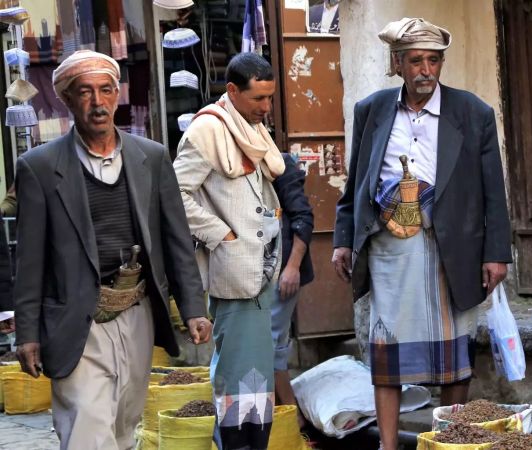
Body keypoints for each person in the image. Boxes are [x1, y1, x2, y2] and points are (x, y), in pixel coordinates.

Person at [12, 50, 211, 449]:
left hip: (135, 310)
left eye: (106, 90)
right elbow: (29, 260)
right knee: (88, 423)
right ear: (67, 100)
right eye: (85, 92)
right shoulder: (39, 166)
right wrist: (27, 332)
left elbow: (176, 239)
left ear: (117, 95)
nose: (98, 102)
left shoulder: (150, 157)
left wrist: (192, 308)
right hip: (75, 317)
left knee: (123, 423)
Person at [332, 17, 512, 450]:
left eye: (433, 61)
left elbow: (493, 189)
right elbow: (356, 181)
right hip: (389, 250)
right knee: (387, 352)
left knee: (454, 353)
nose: (425, 70)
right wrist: (343, 238)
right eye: (416, 61)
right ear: (398, 64)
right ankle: (388, 446)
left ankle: (450, 438)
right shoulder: (372, 110)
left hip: (452, 248)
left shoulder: (473, 113)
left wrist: (497, 253)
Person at [174, 52, 285, 450]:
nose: (266, 108)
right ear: (232, 91)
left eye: (270, 98)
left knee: (256, 377)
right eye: (258, 99)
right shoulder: (207, 129)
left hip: (259, 270)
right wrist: (222, 234)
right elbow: (174, 195)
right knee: (240, 376)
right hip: (234, 272)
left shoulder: (251, 127)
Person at [270, 152, 314, 424]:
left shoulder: (279, 162)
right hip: (255, 273)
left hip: (283, 271)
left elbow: (303, 217)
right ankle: (282, 420)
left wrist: (293, 266)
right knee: (266, 349)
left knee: (272, 347)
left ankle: (293, 422)